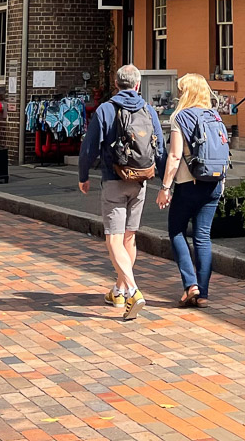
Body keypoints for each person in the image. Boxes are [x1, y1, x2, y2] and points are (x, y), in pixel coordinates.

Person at [78, 64, 165, 320]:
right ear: (137, 85)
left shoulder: (106, 109)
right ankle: (119, 289)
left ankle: (133, 292)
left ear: (117, 84)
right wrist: (165, 183)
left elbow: (89, 148)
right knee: (130, 239)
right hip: (141, 181)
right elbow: (158, 148)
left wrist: (83, 176)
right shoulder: (148, 110)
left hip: (113, 179)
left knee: (114, 239)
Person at [156, 74, 228, 308]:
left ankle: (190, 284)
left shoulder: (181, 117)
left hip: (189, 184)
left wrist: (165, 187)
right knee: (203, 237)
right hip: (214, 183)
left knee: (176, 231)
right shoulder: (215, 115)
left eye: (180, 90)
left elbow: (175, 155)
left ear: (185, 93)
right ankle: (203, 294)